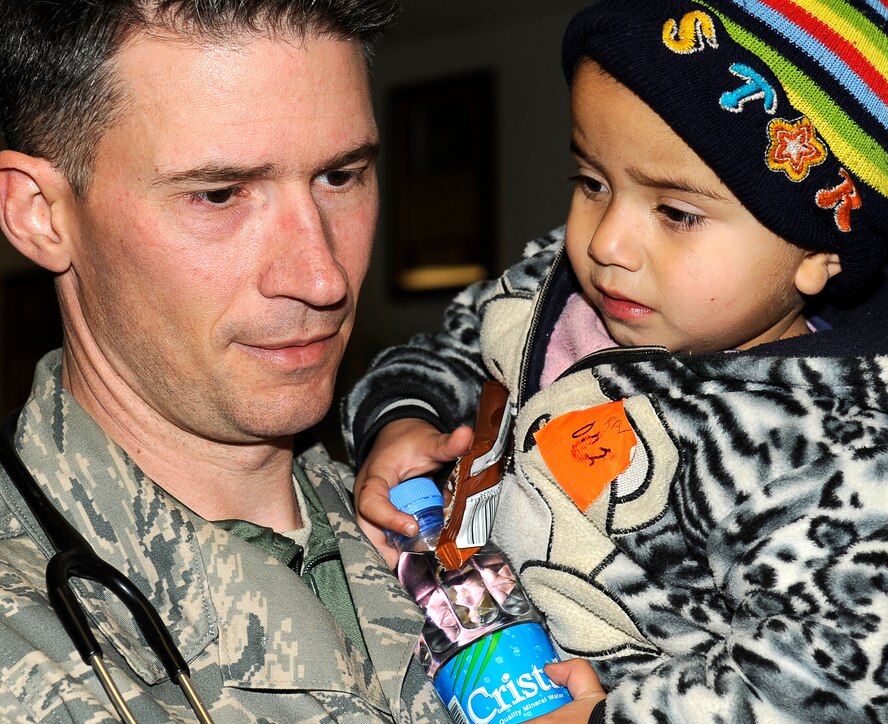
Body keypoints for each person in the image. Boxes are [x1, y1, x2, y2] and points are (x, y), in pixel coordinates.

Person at [343, 0, 888, 722]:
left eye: (676, 212)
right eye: (593, 183)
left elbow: (833, 693)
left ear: (819, 254)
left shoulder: (862, 465)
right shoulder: (548, 299)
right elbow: (450, 348)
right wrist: (404, 415)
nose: (608, 243)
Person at [0, 1, 608, 721]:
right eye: (219, 194)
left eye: (341, 176)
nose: (323, 278)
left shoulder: (488, 519)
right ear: (40, 212)